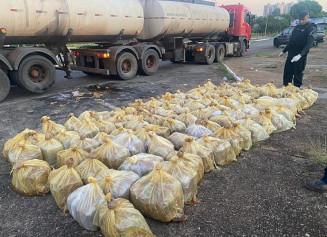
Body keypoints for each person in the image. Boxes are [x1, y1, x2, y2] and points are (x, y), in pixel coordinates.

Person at [278, 10, 317, 88]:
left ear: (308, 17)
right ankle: (286, 89)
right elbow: (291, 41)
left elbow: (309, 44)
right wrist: (284, 51)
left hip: (300, 55)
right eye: (299, 19)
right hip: (291, 53)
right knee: (287, 73)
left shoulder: (311, 28)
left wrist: (300, 55)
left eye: (303, 19)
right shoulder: (297, 27)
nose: (301, 21)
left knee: (297, 75)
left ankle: (296, 91)